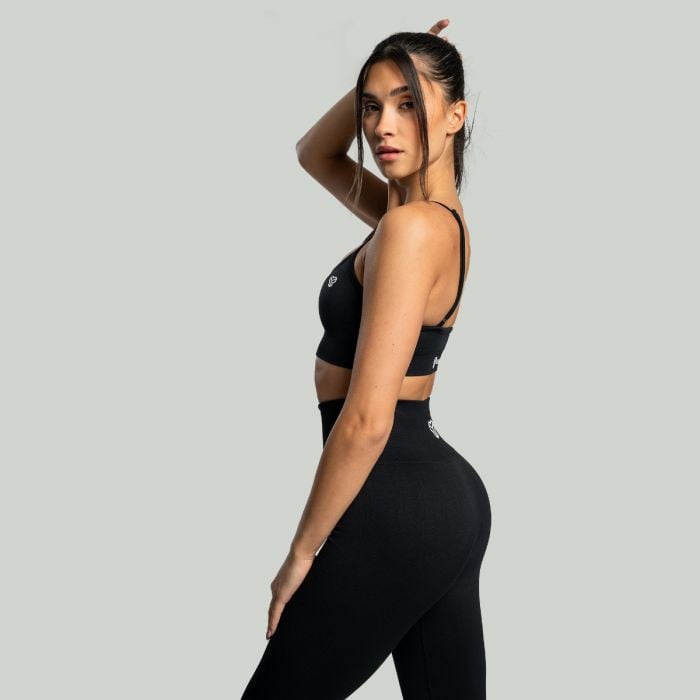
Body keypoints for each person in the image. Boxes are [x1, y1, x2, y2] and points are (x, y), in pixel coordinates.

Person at [241, 18, 491, 699]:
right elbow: (314, 153)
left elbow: (366, 422)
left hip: (395, 503)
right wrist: (382, 69)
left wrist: (301, 554)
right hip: (437, 501)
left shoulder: (410, 229)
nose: (383, 125)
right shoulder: (428, 218)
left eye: (408, 104)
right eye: (373, 106)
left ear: (456, 116)